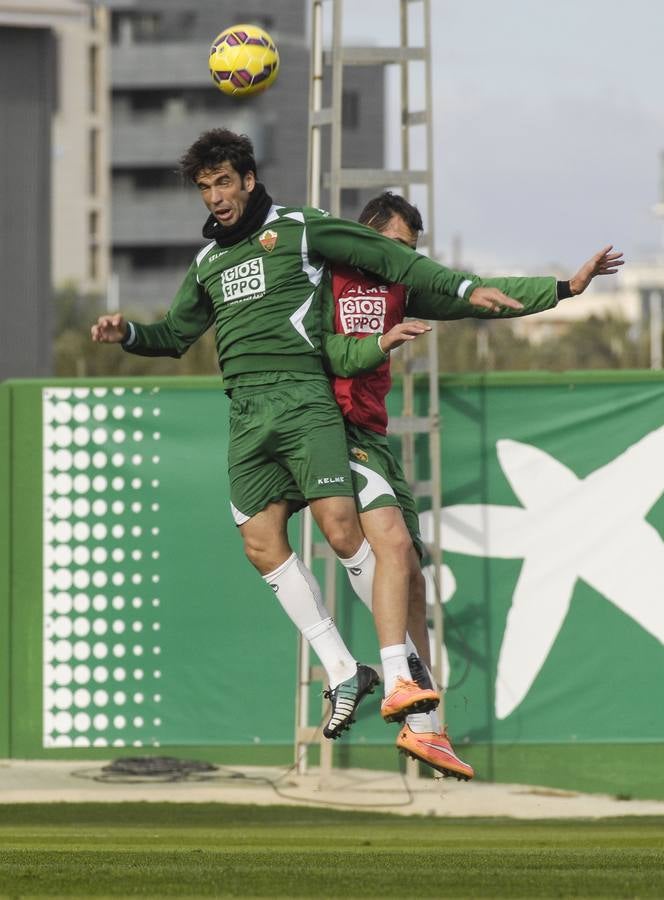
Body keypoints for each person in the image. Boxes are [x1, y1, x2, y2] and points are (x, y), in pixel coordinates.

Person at [91, 128, 526, 742]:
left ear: (247, 180)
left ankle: (407, 684)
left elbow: (391, 260)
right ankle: (347, 671)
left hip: (305, 402)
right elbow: (174, 335)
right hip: (247, 414)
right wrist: (128, 334)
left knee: (350, 532)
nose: (214, 195)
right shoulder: (208, 263)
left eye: (223, 182)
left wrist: (462, 287)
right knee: (260, 540)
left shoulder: (299, 226)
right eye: (204, 186)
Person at [321, 191, 624, 777]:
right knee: (390, 547)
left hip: (372, 435)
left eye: (412, 251)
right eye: (398, 246)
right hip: (326, 430)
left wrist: (563, 289)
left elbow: (484, 296)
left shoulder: (402, 286)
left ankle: (429, 730)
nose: (406, 258)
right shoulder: (321, 274)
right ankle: (382, 680)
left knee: (412, 576)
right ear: (367, 234)